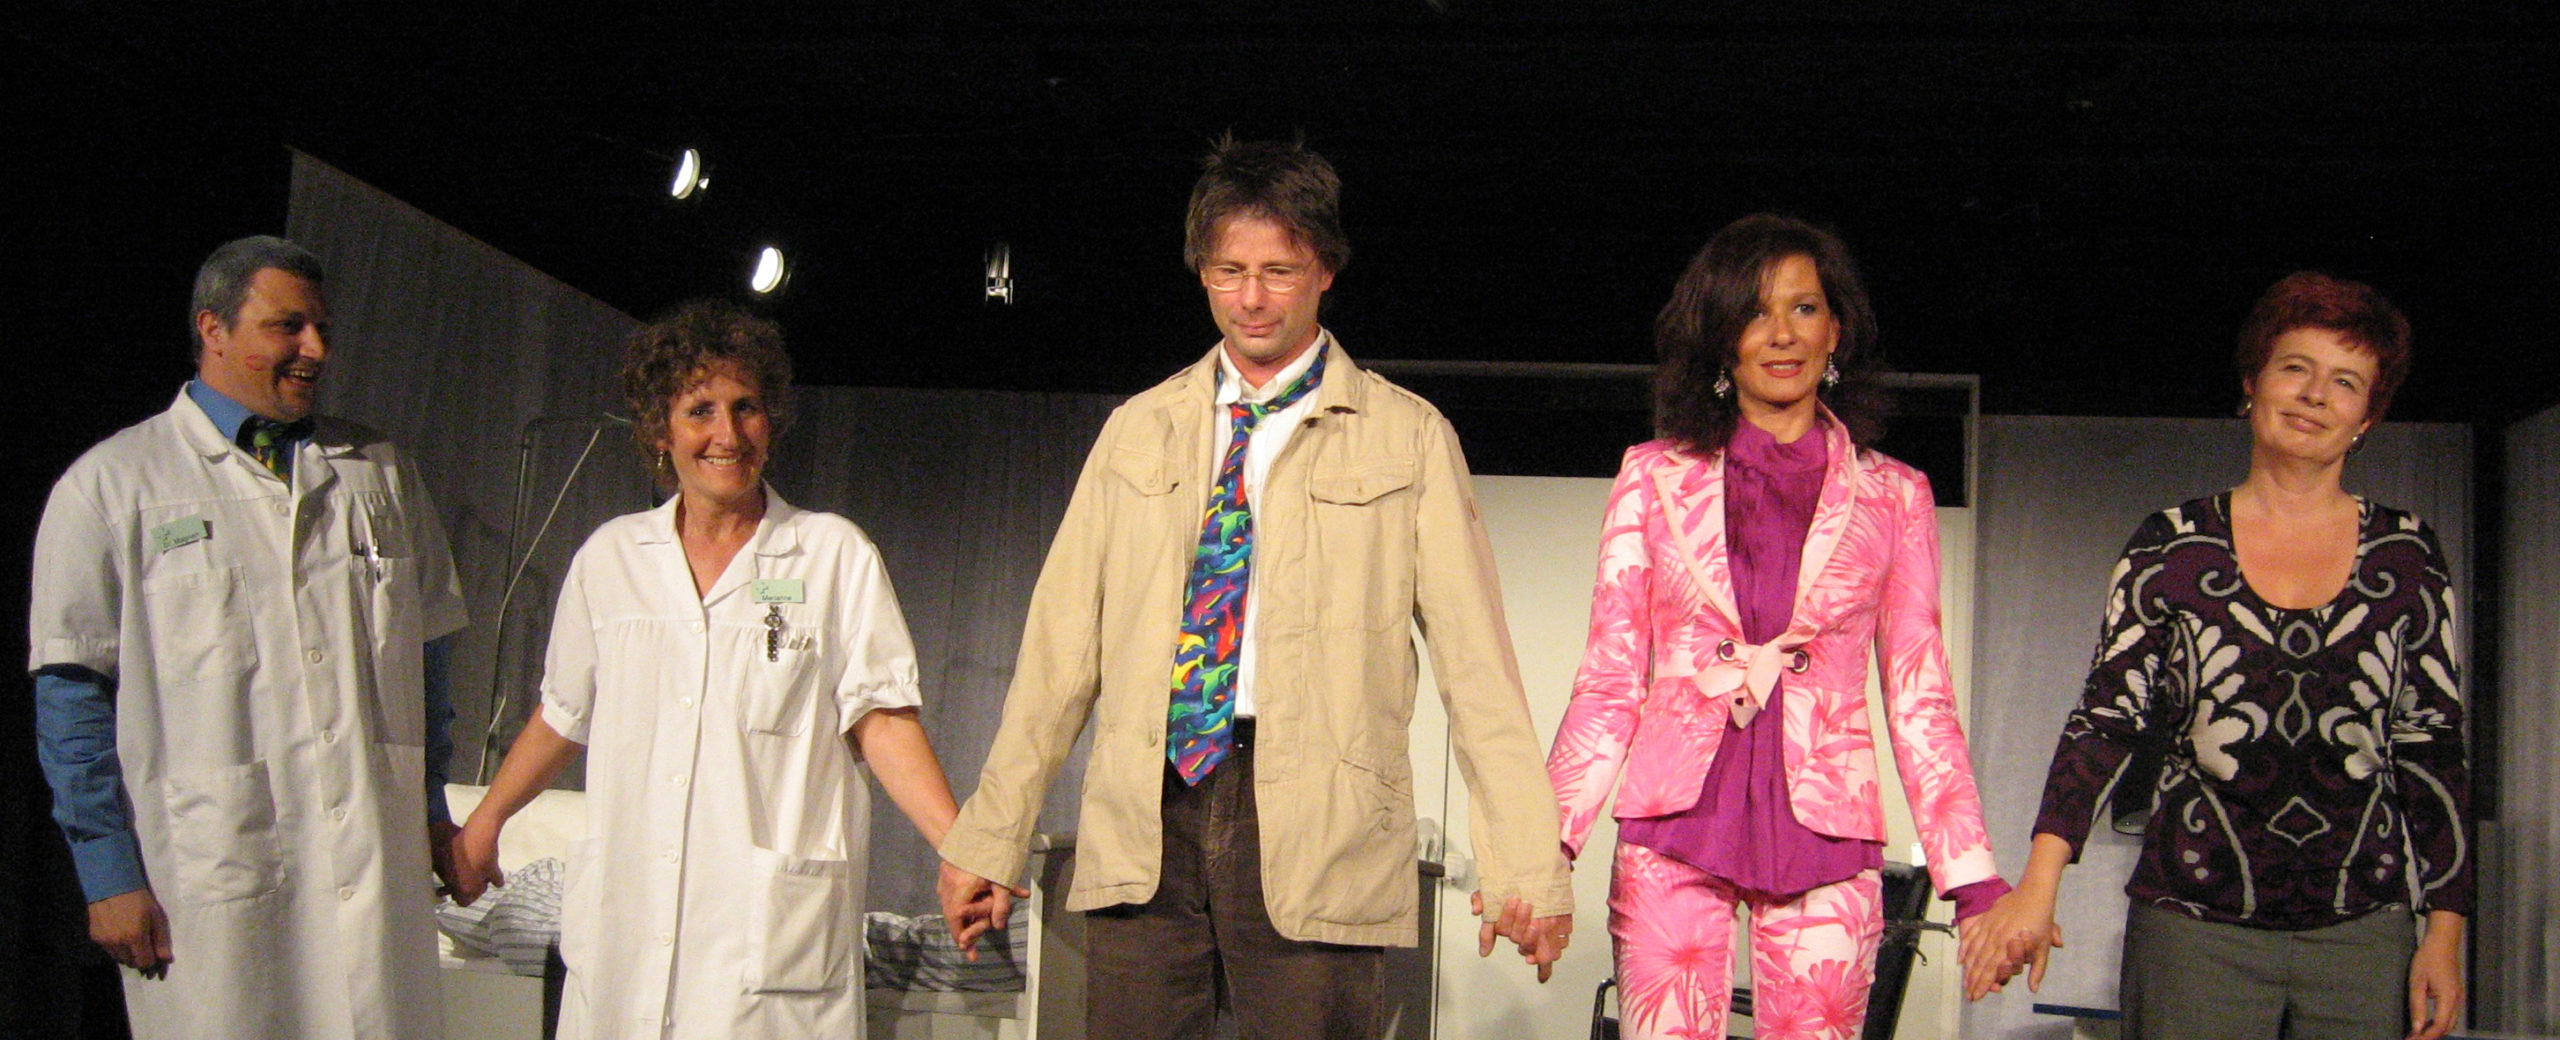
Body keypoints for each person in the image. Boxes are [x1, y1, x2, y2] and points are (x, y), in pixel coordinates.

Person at [932, 137, 1574, 1040]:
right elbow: (1057, 655)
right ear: (1201, 270)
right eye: (1229, 271)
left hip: (1319, 817)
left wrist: (1527, 864)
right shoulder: (1139, 431)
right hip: (1147, 807)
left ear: (1325, 272)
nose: (1252, 298)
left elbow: (1478, 670)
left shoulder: (1406, 437)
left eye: (1279, 271)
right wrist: (991, 837)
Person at [1545, 214, 2020, 1040]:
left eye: (1804, 309)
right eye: (1754, 312)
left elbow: (1920, 697)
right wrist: (1545, 844)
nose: (1781, 335)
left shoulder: (1895, 495)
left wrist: (1971, 878)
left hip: (1827, 830)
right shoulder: (1651, 477)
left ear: (1836, 330)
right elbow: (1610, 678)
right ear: (1719, 335)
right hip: (1674, 823)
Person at [1969, 272, 2471, 1040]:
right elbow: (2105, 721)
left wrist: (2445, 930)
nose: (2314, 395)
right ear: (2252, 382)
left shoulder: (2407, 555)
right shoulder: (2172, 546)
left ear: (2368, 416)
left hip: (2364, 935)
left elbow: (2431, 747)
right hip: (2193, 930)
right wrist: (2039, 886)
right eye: (2295, 368)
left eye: (2344, 382)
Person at [450, 301, 964, 1039]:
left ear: (771, 419)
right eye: (700, 411)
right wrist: (485, 824)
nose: (728, 433)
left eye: (746, 407)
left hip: (766, 952)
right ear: (660, 431)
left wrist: (963, 849)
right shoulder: (611, 559)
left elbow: (882, 719)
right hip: (628, 932)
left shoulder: (832, 556)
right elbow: (564, 714)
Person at [28, 235, 470, 1038]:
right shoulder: (113, 485)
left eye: (322, 328)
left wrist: (432, 809)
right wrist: (106, 870)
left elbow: (427, 653)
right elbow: (72, 693)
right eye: (287, 326)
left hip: (375, 856)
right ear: (214, 329)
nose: (316, 349)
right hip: (212, 871)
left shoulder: (380, 473)